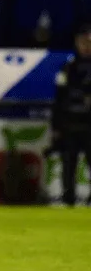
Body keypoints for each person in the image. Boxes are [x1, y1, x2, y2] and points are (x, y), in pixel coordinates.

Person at [51, 24, 91, 206]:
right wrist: (56, 126)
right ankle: (69, 199)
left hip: (89, 124)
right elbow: (59, 100)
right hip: (70, 124)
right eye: (83, 42)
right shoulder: (68, 67)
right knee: (68, 165)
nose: (86, 46)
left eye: (89, 42)